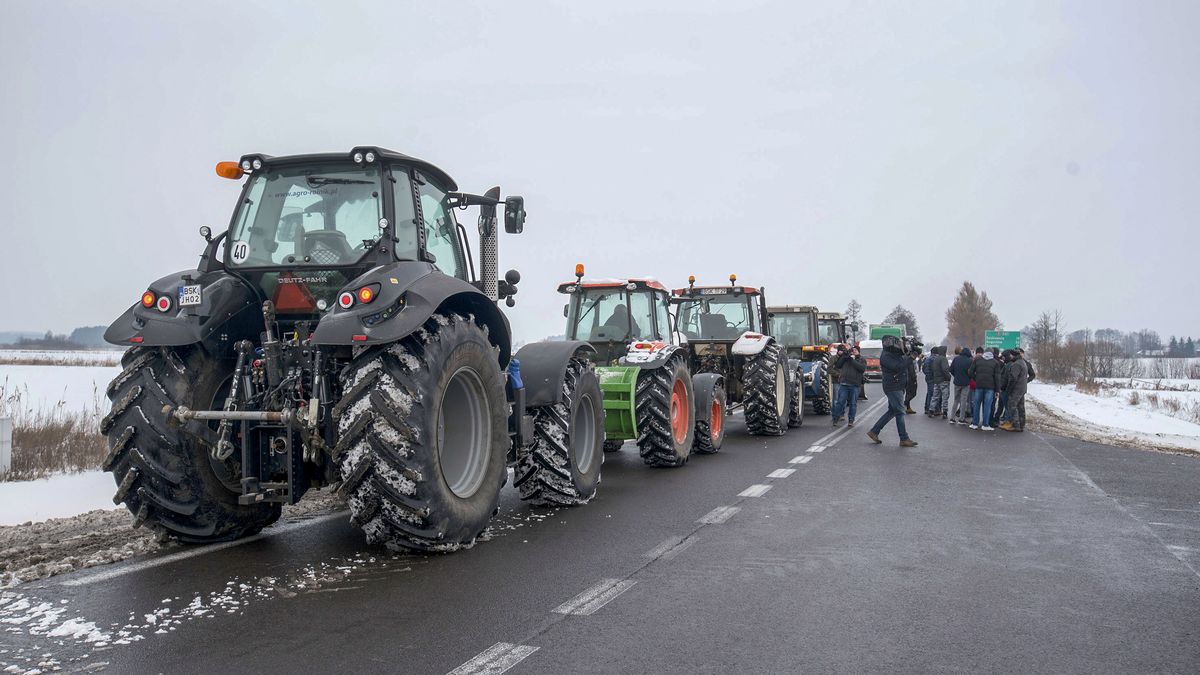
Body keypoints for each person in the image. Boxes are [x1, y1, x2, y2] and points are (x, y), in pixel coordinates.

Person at [867, 335, 918, 447]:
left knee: (893, 411)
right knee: (900, 411)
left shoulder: (893, 353)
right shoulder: (886, 356)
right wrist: (911, 358)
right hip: (893, 386)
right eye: (896, 342)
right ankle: (904, 438)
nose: (897, 345)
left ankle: (874, 431)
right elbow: (898, 367)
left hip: (897, 385)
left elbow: (904, 357)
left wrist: (911, 350)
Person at [831, 345, 866, 427]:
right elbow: (838, 365)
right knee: (840, 402)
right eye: (852, 350)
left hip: (855, 385)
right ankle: (836, 418)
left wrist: (852, 360)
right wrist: (844, 356)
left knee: (853, 403)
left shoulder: (861, 359)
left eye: (855, 350)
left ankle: (851, 420)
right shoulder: (846, 358)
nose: (853, 352)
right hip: (844, 384)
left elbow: (861, 369)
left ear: (858, 352)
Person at [968, 347, 1002, 430]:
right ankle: (985, 425)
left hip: (979, 386)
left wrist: (976, 379)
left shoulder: (977, 360)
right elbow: (997, 378)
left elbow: (970, 372)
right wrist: (997, 390)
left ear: (984, 352)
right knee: (987, 406)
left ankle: (975, 423)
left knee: (976, 405)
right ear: (992, 353)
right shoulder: (995, 362)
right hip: (990, 388)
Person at [999, 350, 1029, 431]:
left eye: (1011, 355)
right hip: (1022, 388)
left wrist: (1009, 389)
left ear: (1013, 356)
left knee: (1012, 406)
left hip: (1016, 389)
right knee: (1020, 407)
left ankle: (1015, 425)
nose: (1010, 357)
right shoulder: (1022, 362)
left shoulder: (1016, 364)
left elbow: (1013, 378)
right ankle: (1021, 425)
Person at [949, 346, 973, 425]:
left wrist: (956, 376)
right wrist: (968, 378)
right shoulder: (970, 361)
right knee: (963, 401)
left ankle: (952, 418)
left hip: (957, 382)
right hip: (966, 383)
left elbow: (951, 370)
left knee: (956, 400)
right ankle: (961, 419)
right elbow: (971, 373)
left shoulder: (956, 359)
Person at [928, 346, 952, 418]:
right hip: (943, 381)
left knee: (935, 396)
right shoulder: (943, 359)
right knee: (945, 397)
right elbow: (945, 370)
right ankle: (945, 412)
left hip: (936, 381)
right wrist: (949, 377)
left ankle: (931, 410)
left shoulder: (935, 359)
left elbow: (933, 369)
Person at [903, 347, 920, 414]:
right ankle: (905, 403)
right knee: (913, 393)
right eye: (916, 356)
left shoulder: (906, 359)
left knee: (908, 393)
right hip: (910, 380)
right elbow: (911, 371)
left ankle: (908, 408)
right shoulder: (909, 360)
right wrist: (914, 380)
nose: (916, 358)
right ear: (914, 355)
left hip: (906, 379)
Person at [922, 348, 935, 414]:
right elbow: (933, 370)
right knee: (931, 394)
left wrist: (927, 374)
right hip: (931, 378)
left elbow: (923, 368)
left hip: (928, 378)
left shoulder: (927, 359)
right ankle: (929, 408)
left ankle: (926, 407)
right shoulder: (933, 359)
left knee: (929, 393)